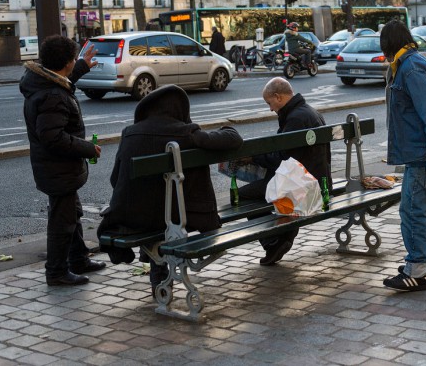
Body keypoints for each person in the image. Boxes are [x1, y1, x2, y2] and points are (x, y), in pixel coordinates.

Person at [97, 85, 243, 295]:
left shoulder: (129, 133)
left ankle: (158, 271)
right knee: (167, 210)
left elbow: (114, 179)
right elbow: (233, 139)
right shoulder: (187, 133)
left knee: (153, 206)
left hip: (134, 217)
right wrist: (225, 128)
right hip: (181, 217)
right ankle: (160, 272)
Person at [20, 35, 104, 287]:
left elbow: (61, 81)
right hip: (57, 167)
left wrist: (82, 67)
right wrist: (87, 148)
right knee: (62, 221)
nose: (76, 62)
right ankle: (56, 272)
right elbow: (52, 137)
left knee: (71, 213)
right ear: (67, 62)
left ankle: (78, 258)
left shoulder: (44, 83)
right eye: (74, 59)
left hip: (54, 167)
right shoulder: (53, 96)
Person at [380, 19, 426, 292]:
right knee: (423, 210)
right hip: (425, 153)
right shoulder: (416, 63)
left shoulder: (410, 69)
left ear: (388, 45)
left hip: (421, 155)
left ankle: (417, 271)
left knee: (412, 212)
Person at [239, 77, 331, 266]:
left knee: (242, 196)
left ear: (278, 97)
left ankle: (274, 240)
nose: (270, 108)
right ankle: (282, 234)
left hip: (304, 187)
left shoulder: (295, 118)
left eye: (269, 103)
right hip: (318, 180)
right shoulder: (308, 112)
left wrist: (253, 158)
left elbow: (280, 160)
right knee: (262, 187)